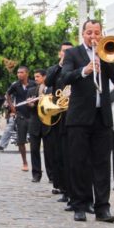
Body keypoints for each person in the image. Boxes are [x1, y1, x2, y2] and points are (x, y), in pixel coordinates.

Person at [60, 20, 114, 223]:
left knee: (102, 164)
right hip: (79, 117)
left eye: (97, 32)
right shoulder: (73, 54)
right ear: (83, 34)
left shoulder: (106, 52)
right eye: (89, 32)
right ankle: (79, 204)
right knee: (79, 162)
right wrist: (85, 71)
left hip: (101, 116)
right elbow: (64, 77)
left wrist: (106, 59)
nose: (93, 36)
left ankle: (102, 208)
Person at [46, 42, 74, 203]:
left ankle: (72, 190)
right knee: (60, 154)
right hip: (58, 115)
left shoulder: (78, 66)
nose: (67, 53)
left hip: (73, 112)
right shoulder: (54, 69)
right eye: (64, 51)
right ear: (59, 53)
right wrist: (60, 65)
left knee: (72, 154)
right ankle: (63, 188)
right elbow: (48, 82)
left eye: (70, 51)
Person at [6, 66, 36, 172]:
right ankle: (25, 162)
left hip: (33, 115)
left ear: (27, 73)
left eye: (21, 72)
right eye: (18, 73)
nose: (19, 74)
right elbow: (7, 95)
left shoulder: (34, 84)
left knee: (34, 141)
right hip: (21, 115)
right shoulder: (15, 85)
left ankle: (35, 164)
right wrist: (12, 108)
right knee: (21, 141)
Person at [27, 69, 51, 183]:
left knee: (49, 151)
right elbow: (29, 109)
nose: (36, 79)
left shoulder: (51, 89)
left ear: (44, 77)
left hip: (47, 123)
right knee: (34, 150)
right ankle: (36, 174)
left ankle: (52, 175)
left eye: (38, 76)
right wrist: (30, 104)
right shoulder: (31, 90)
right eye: (35, 77)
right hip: (35, 124)